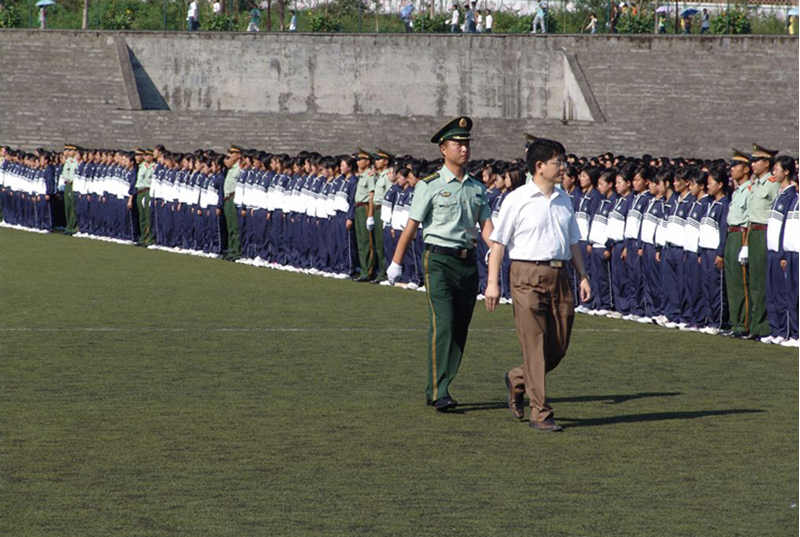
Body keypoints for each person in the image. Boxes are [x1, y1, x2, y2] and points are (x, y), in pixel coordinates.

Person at [387, 117, 494, 412]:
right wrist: (396, 262)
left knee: (461, 327)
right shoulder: (429, 185)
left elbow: (486, 227)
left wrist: (497, 249)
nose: (464, 149)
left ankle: (439, 384)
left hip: (467, 262)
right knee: (443, 322)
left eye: (466, 144)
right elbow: (411, 226)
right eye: (458, 144)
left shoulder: (476, 187)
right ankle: (440, 389)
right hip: (438, 260)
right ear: (443, 149)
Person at [486, 137, 591, 432]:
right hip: (525, 276)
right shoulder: (516, 199)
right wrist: (493, 283)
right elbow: (498, 244)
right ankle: (540, 413)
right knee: (534, 344)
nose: (563, 168)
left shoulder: (564, 199)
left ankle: (518, 378)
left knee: (557, 348)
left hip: (560, 277)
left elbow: (573, 242)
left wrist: (582, 275)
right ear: (539, 166)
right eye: (559, 162)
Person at [739, 144, 781, 340]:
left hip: (765, 233)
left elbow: (776, 213)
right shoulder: (754, 185)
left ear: (767, 163)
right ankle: (755, 325)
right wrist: (746, 244)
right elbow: (749, 217)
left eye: (756, 160)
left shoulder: (772, 183)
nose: (753, 164)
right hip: (753, 233)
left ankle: (764, 327)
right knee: (753, 280)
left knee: (762, 281)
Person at [763, 156, 797, 345]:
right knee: (772, 292)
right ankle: (776, 330)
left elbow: (786, 229)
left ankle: (787, 331)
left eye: (777, 169)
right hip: (772, 250)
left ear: (786, 171)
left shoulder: (791, 195)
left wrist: (783, 253)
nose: (774, 172)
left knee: (784, 293)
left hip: (781, 252)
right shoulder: (780, 195)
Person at [721, 150, 753, 339]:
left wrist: (746, 245)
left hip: (741, 235)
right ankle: (735, 322)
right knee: (732, 283)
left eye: (736, 166)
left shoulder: (750, 190)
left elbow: (749, 219)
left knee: (742, 283)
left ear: (746, 169)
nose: (732, 169)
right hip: (732, 234)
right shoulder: (737, 191)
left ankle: (744, 323)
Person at [353, 149, 376, 282]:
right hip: (358, 207)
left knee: (367, 242)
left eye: (360, 160)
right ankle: (363, 269)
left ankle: (368, 270)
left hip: (366, 208)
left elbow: (371, 195)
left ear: (367, 162)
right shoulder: (362, 175)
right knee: (361, 241)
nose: (358, 162)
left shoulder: (369, 175)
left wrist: (370, 215)